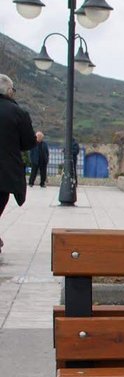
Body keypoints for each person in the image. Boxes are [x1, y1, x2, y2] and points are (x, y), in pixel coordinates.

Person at [0, 74, 37, 255]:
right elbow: (27, 143)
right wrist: (37, 139)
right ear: (9, 91)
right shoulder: (18, 113)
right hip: (4, 173)